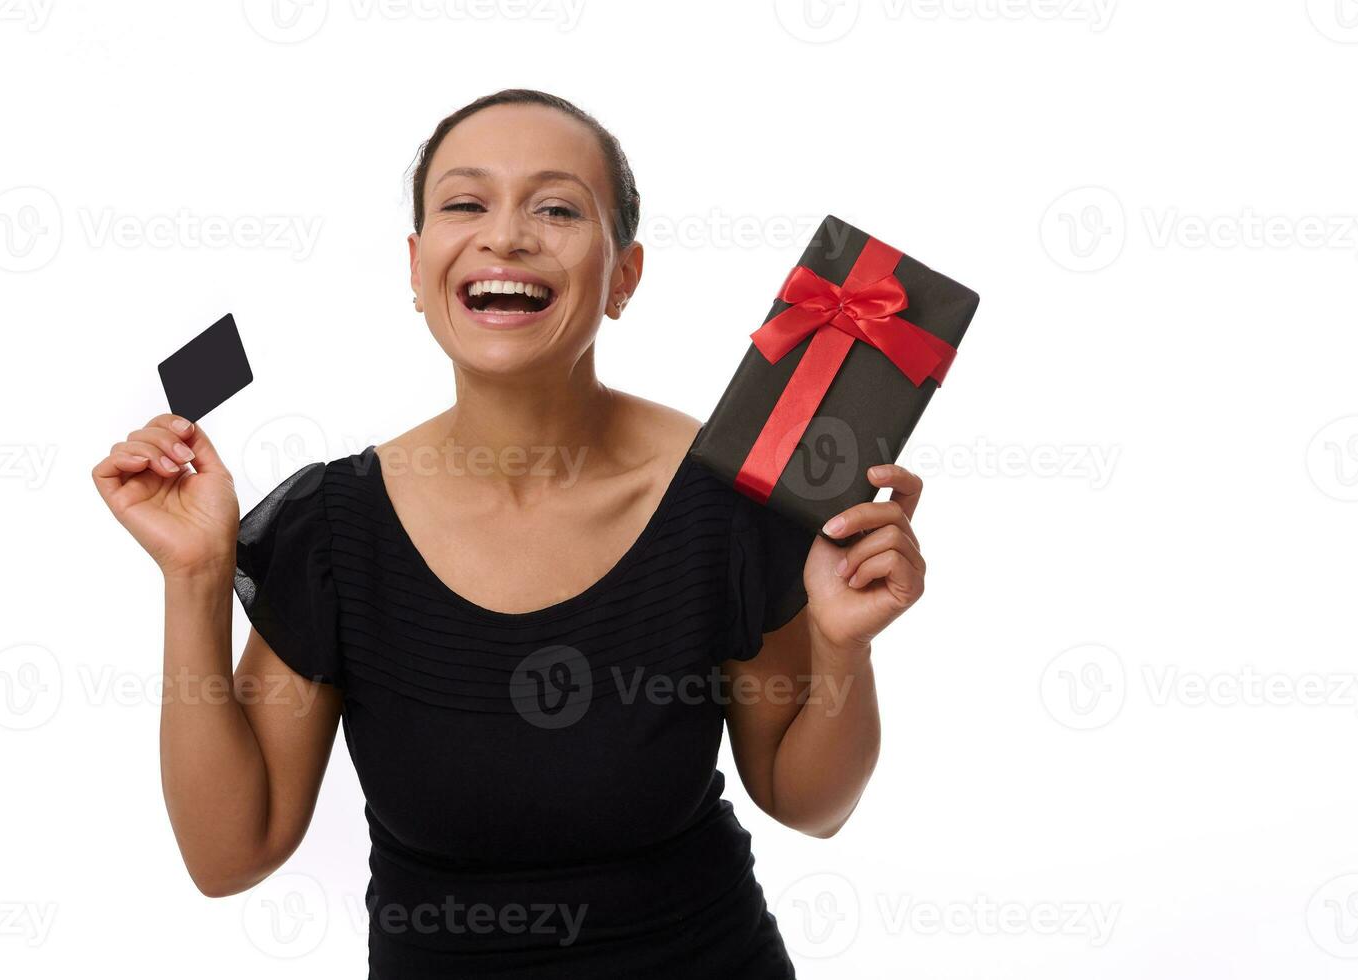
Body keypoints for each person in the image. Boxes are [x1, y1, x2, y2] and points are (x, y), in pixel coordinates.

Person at [91, 88, 928, 979]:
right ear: (417, 269)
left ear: (624, 276)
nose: (505, 236)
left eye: (557, 207)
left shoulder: (726, 500)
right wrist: (195, 577)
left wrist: (842, 648)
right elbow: (230, 856)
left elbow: (809, 806)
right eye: (464, 203)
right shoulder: (334, 529)